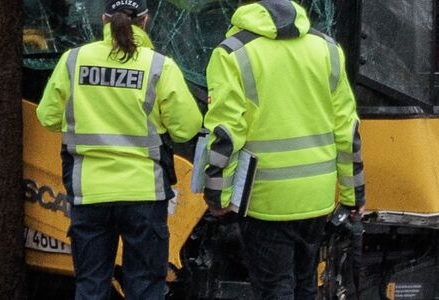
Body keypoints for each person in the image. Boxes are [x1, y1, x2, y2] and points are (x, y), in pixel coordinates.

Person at [36, 0, 202, 298]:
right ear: (145, 22)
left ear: (104, 20)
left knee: (90, 286)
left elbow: (48, 117)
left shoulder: (73, 60)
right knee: (146, 287)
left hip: (89, 193)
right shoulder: (159, 65)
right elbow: (186, 128)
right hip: (144, 194)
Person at [201, 0, 365, 299]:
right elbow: (347, 130)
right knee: (305, 285)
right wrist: (354, 197)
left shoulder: (232, 53)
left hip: (265, 199)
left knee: (275, 288)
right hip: (316, 197)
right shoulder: (327, 49)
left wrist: (218, 196)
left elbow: (227, 133)